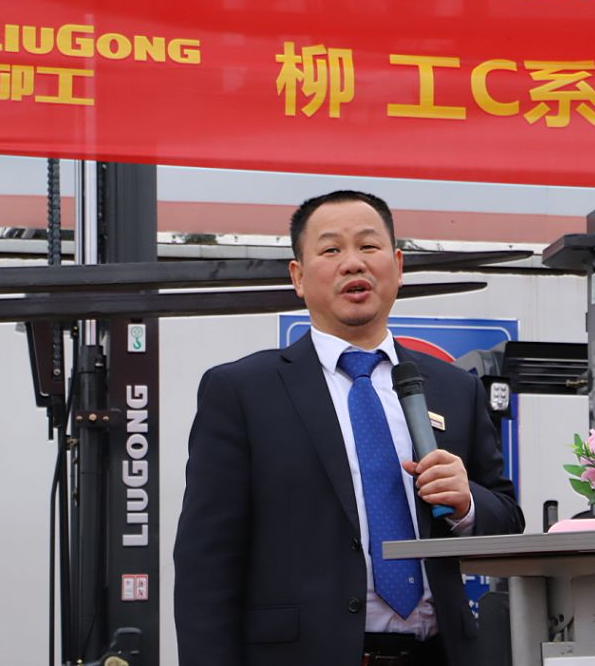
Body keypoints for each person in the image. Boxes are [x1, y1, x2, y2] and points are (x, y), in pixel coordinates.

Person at [173, 190, 524, 666]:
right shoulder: (242, 391)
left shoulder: (454, 388)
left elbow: (508, 519)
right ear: (298, 276)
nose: (353, 263)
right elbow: (206, 561)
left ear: (397, 266)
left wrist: (466, 505)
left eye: (368, 246)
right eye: (331, 249)